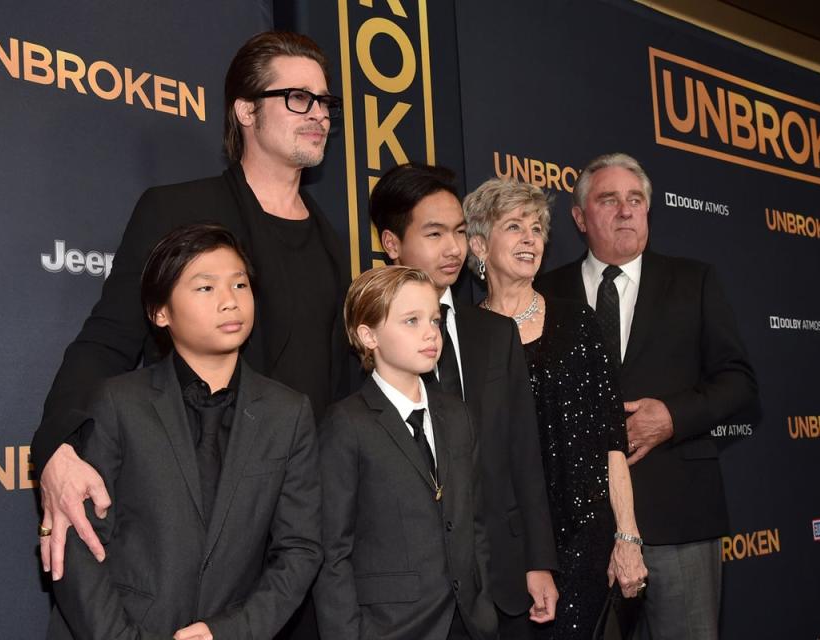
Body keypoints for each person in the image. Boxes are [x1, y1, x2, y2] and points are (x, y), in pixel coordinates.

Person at [32, 31, 348, 585]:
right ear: (246, 110)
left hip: (298, 537)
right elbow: (107, 340)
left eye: (325, 102)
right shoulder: (176, 209)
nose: (318, 113)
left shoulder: (333, 241)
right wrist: (58, 445)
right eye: (298, 98)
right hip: (196, 528)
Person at [46, 223, 321, 640]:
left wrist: (231, 631)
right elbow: (81, 542)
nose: (230, 301)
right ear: (161, 313)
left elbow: (300, 550)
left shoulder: (288, 413)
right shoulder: (119, 402)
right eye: (205, 288)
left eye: (240, 285)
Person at [536, 153, 758, 639]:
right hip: (579, 532)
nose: (625, 211)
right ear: (578, 217)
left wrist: (672, 417)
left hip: (677, 519)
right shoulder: (545, 294)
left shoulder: (694, 280)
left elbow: (740, 383)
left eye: (635, 200)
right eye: (608, 200)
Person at [369, 163, 559, 638]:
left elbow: (524, 453)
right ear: (392, 244)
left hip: (504, 576)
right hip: (411, 589)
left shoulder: (495, 334)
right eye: (434, 233)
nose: (453, 248)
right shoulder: (365, 338)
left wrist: (539, 559)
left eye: (458, 231)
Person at [463, 178, 648, 639]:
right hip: (510, 539)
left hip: (586, 531)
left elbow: (612, 440)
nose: (531, 239)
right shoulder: (462, 336)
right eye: (514, 227)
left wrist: (627, 536)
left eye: (537, 228)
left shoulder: (578, 321)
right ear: (479, 245)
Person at [314, 266, 498, 640]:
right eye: (411, 321)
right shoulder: (347, 424)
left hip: (468, 623)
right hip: (390, 627)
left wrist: (483, 604)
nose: (431, 332)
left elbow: (474, 521)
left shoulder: (457, 415)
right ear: (368, 335)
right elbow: (332, 553)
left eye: (434, 319)